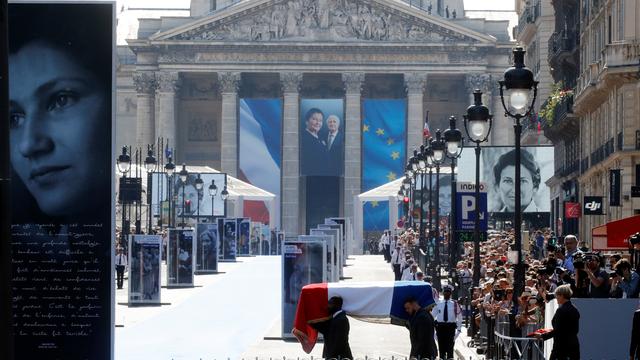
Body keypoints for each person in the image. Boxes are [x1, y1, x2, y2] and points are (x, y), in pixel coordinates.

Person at [536, 284, 580, 360]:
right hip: (574, 346)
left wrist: (542, 336)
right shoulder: (575, 309)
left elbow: (558, 330)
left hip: (561, 347)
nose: (556, 298)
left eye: (557, 295)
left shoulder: (561, 310)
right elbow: (574, 329)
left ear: (562, 295)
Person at [431, 285, 462, 360]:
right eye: (445, 292)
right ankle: (442, 358)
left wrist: (459, 329)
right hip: (440, 327)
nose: (446, 294)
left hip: (450, 327)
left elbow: (459, 316)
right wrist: (432, 329)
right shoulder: (438, 303)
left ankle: (450, 358)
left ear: (450, 293)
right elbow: (432, 316)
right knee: (441, 347)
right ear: (443, 293)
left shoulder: (455, 304)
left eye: (448, 292)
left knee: (450, 347)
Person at [300, 108, 327, 176]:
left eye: (320, 120)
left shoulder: (321, 136)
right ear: (307, 121)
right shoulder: (303, 138)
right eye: (314, 119)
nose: (318, 123)